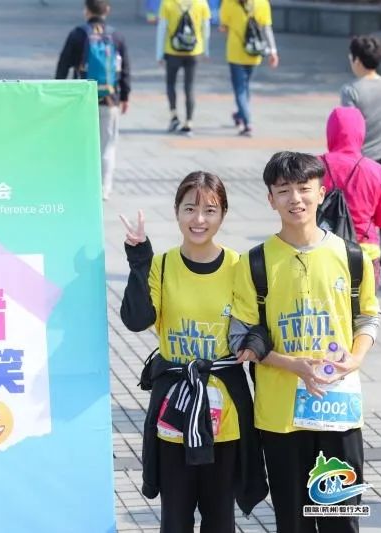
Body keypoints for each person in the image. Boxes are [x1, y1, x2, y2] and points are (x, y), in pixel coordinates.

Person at [230, 152, 380, 533]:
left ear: (321, 192)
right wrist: (292, 365)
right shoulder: (255, 262)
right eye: (283, 190)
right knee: (292, 521)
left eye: (304, 188)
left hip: (338, 409)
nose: (295, 198)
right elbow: (241, 337)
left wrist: (356, 358)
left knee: (341, 520)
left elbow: (368, 317)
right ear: (270, 199)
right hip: (280, 416)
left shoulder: (352, 256)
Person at [120, 172, 267, 532]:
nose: (199, 219)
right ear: (176, 212)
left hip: (226, 413)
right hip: (174, 410)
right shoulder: (162, 265)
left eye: (210, 210)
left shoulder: (238, 266)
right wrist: (139, 260)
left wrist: (254, 344)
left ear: (223, 214)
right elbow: (137, 319)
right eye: (190, 209)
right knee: (175, 518)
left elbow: (257, 325)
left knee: (220, 518)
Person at [340, 35, 381, 291]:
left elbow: (348, 127)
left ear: (357, 59)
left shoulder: (351, 90)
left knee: (357, 216)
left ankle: (357, 263)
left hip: (362, 163)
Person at [56, 0, 131, 201]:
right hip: (110, 99)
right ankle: (104, 189)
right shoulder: (116, 36)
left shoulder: (78, 34)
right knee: (107, 146)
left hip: (82, 100)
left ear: (86, 11)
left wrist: (59, 92)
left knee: (81, 145)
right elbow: (124, 69)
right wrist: (125, 96)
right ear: (107, 10)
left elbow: (63, 65)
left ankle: (81, 185)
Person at [320, 106, 381, 284]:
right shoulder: (377, 171)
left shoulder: (314, 167)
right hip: (364, 252)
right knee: (364, 302)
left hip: (323, 251)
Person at [219, 0, 279, 137]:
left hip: (235, 53)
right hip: (254, 52)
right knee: (245, 85)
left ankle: (247, 123)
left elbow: (224, 27)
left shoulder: (229, 2)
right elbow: (267, 28)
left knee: (240, 89)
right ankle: (240, 114)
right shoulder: (262, 3)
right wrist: (273, 51)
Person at [156, 0, 211, 136]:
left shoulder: (167, 3)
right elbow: (206, 27)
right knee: (189, 87)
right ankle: (189, 121)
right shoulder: (201, 2)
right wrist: (206, 50)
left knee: (170, 84)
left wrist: (159, 53)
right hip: (194, 51)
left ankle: (174, 116)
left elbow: (162, 28)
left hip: (172, 50)